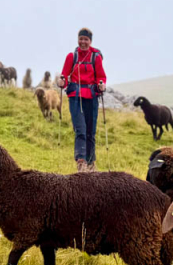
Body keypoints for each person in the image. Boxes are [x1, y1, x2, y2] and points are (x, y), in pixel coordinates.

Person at [58, 27, 106, 172]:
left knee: (91, 131)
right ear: (78, 39)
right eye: (81, 39)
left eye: (86, 39)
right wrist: (61, 82)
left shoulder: (95, 57)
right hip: (75, 97)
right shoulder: (71, 57)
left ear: (90, 41)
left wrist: (101, 85)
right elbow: (64, 76)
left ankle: (91, 164)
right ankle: (81, 163)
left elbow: (101, 76)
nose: (83, 42)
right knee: (81, 130)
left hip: (91, 97)